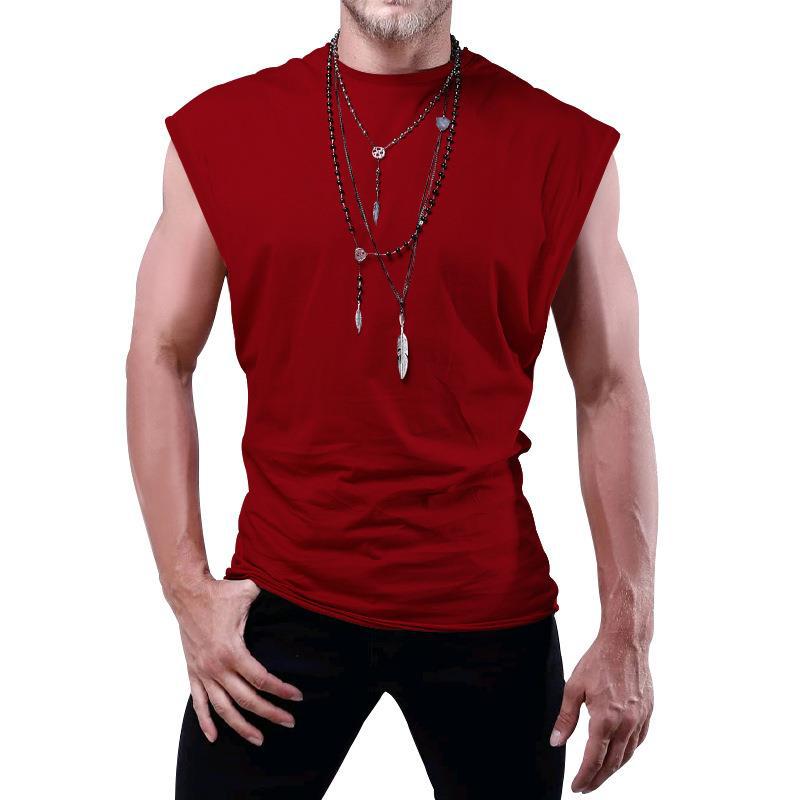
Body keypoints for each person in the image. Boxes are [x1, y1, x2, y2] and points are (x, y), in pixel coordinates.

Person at [126, 1, 657, 796]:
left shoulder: (562, 147)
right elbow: (160, 354)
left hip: (488, 608)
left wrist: (629, 630)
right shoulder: (220, 131)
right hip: (281, 595)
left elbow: (610, 387)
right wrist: (187, 591)